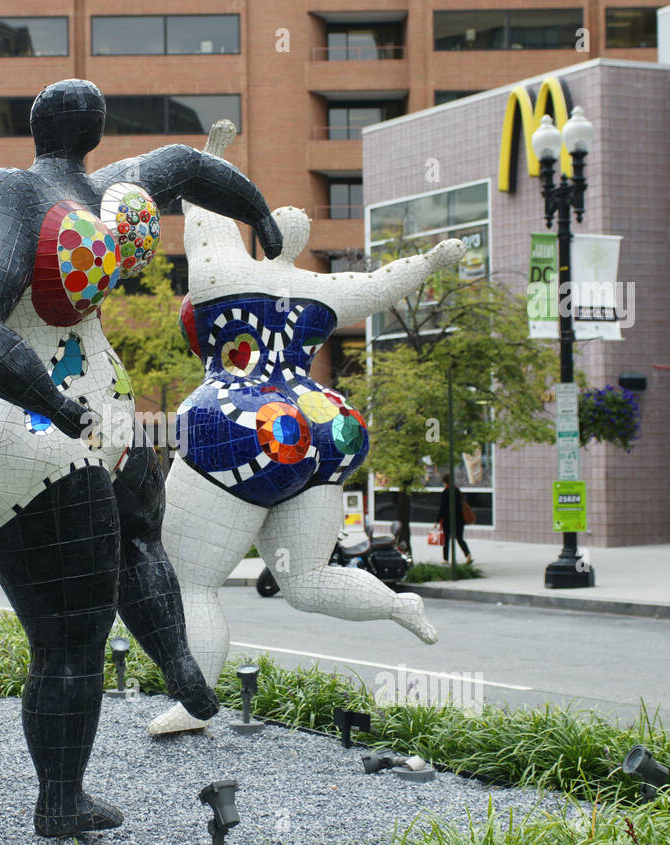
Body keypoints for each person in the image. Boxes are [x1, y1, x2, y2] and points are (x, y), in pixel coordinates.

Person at [0, 79, 284, 836]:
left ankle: (177, 662)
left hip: (93, 415)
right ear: (73, 125)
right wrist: (50, 404)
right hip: (18, 427)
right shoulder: (8, 193)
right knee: (71, 632)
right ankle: (60, 800)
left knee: (140, 517)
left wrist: (254, 212)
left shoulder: (105, 191)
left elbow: (187, 165)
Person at [149, 119, 464, 736]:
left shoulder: (223, 272)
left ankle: (196, 701)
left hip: (238, 422)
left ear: (264, 237)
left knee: (192, 581)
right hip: (320, 425)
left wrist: (209, 159)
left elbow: (206, 217)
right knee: (306, 579)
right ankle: (397, 605)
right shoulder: (319, 288)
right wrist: (432, 261)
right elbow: (381, 285)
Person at [436, 473, 472, 564]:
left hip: (448, 520)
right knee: (460, 538)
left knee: (446, 539)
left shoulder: (445, 493)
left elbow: (442, 508)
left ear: (444, 482)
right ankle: (468, 555)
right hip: (459, 519)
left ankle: (446, 559)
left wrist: (437, 520)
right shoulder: (457, 491)